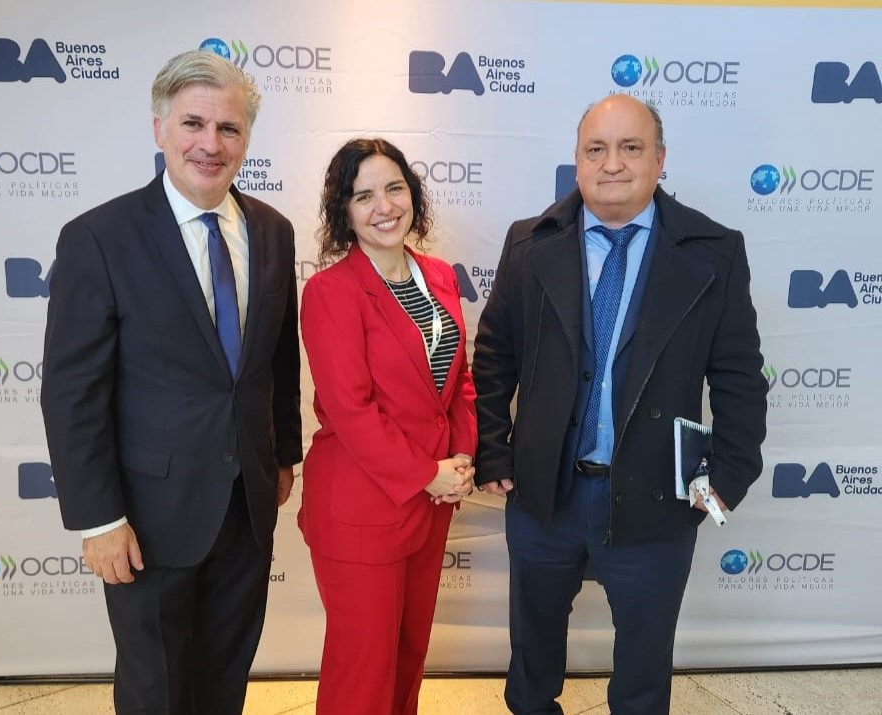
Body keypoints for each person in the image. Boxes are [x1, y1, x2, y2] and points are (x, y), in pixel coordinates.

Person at [471, 94, 767, 715]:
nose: (612, 164)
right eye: (596, 149)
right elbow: (495, 354)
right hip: (544, 497)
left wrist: (728, 477)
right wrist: (493, 447)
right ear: (577, 161)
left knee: (642, 672)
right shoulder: (528, 243)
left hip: (656, 498)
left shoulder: (714, 251)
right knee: (531, 662)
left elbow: (739, 377)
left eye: (631, 148)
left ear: (660, 159)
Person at [40, 50, 302, 715]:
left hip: (246, 508)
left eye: (229, 128)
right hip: (146, 516)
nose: (211, 144)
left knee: (224, 679)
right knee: (155, 688)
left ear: (246, 138)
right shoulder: (98, 237)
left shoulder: (273, 232)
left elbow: (277, 358)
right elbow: (72, 393)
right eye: (193, 123)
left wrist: (282, 456)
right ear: (159, 128)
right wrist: (99, 519)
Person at [298, 137, 478, 715]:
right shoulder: (329, 292)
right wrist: (426, 473)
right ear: (343, 210)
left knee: (407, 655)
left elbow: (458, 382)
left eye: (395, 188)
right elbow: (350, 409)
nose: (384, 206)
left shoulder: (439, 277)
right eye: (364, 195)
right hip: (362, 506)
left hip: (431, 500)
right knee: (363, 669)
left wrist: (460, 461)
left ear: (412, 194)